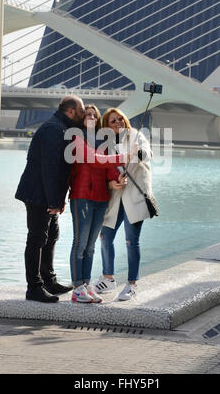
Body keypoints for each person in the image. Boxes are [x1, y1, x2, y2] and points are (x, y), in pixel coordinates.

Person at [15, 95, 86, 303]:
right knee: (37, 238)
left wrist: (57, 200)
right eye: (81, 111)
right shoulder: (53, 129)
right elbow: (49, 168)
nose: (83, 115)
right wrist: (54, 201)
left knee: (51, 235)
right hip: (38, 193)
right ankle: (34, 288)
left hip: (46, 193)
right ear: (71, 111)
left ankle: (48, 280)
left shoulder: (62, 127)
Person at [68, 104, 127, 303]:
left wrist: (117, 178)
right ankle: (77, 288)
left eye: (94, 115)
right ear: (81, 119)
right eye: (87, 115)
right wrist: (120, 157)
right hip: (82, 196)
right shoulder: (77, 138)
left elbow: (109, 167)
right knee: (80, 243)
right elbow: (94, 160)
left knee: (91, 246)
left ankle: (85, 284)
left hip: (101, 199)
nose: (91, 118)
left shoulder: (103, 140)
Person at [95, 107, 153, 301]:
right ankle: (108, 278)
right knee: (105, 236)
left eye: (120, 119)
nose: (118, 122)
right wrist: (111, 183)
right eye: (113, 121)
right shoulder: (105, 143)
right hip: (115, 197)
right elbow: (102, 171)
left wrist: (135, 154)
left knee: (131, 241)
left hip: (134, 196)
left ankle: (132, 284)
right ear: (106, 126)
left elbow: (148, 154)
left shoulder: (136, 136)